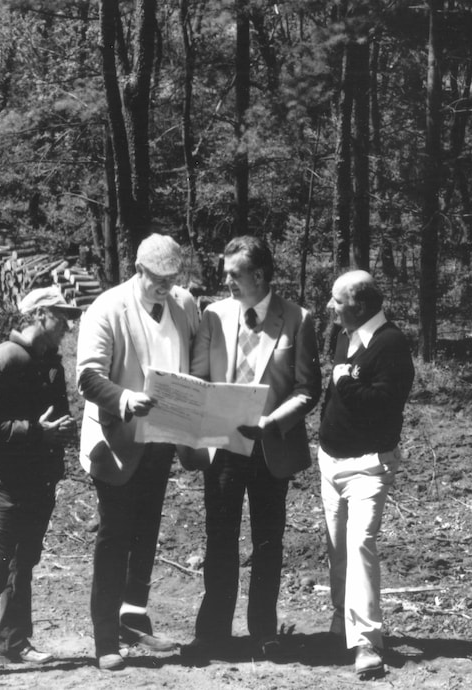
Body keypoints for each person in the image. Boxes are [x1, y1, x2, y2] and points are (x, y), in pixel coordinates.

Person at [180, 235, 321, 660]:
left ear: (258, 276)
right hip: (222, 448)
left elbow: (307, 389)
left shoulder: (298, 319)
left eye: (233, 274)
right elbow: (200, 380)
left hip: (270, 449)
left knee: (267, 542)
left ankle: (263, 630)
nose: (225, 281)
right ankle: (213, 633)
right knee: (219, 539)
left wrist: (272, 423)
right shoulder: (214, 316)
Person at [76, 233, 200, 671]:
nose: (165, 287)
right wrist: (125, 400)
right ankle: (104, 638)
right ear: (138, 269)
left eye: (172, 279)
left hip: (162, 439)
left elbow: (197, 359)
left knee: (146, 530)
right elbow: (88, 377)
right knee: (115, 536)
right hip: (117, 440)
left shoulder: (185, 304)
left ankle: (133, 619)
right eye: (157, 279)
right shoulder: (107, 308)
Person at [0, 286, 83, 678]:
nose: (68, 327)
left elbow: (55, 416)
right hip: (8, 479)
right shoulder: (1, 360)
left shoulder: (49, 362)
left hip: (41, 478)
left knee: (24, 561)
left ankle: (15, 644)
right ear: (39, 315)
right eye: (62, 317)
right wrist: (37, 433)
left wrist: (61, 432)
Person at [318, 270, 414, 679]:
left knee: (359, 546)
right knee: (337, 546)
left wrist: (344, 382)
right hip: (331, 461)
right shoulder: (345, 334)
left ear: (357, 304)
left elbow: (385, 402)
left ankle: (366, 642)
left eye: (337, 301)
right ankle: (343, 621)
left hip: (368, 465)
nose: (330, 307)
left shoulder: (391, 344)